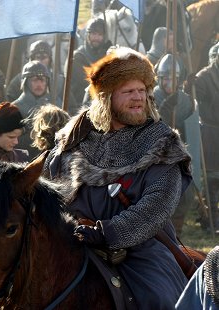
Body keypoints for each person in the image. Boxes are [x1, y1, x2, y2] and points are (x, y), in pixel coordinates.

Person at [45, 47, 191, 309]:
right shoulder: (74, 137)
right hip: (70, 240)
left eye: (142, 90)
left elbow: (156, 206)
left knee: (161, 299)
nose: (138, 98)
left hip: (139, 249)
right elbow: (47, 186)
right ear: (107, 97)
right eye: (128, 91)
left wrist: (107, 233)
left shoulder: (161, 142)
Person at [153, 53, 196, 234]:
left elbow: (190, 127)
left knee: (186, 193)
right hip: (157, 154)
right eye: (166, 79)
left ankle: (176, 229)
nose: (169, 83)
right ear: (160, 79)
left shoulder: (185, 99)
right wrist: (163, 113)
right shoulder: (151, 97)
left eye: (173, 79)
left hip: (179, 152)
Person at [192, 41, 219, 233]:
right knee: (211, 178)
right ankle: (210, 219)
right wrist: (191, 85)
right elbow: (195, 100)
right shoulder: (203, 77)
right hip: (210, 132)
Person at [67, 17, 111, 114]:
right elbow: (88, 82)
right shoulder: (77, 57)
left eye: (100, 34)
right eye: (93, 34)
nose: (96, 38)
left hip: (104, 105)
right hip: (81, 106)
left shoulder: (108, 55)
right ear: (87, 35)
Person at [13, 60, 52, 158]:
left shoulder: (51, 107)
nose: (39, 84)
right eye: (35, 80)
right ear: (26, 82)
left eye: (42, 80)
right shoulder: (14, 108)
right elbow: (11, 140)